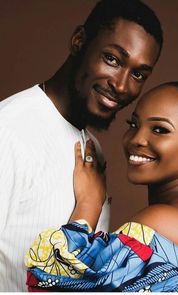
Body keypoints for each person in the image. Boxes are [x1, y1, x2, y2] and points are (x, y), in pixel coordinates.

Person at [0, 0, 163, 291]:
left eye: (138, 74)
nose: (123, 86)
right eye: (113, 59)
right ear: (78, 41)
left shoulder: (93, 149)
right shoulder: (8, 131)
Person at [25, 81, 178, 291]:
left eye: (160, 129)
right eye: (133, 124)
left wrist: (89, 204)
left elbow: (51, 282)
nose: (137, 139)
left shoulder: (162, 221)